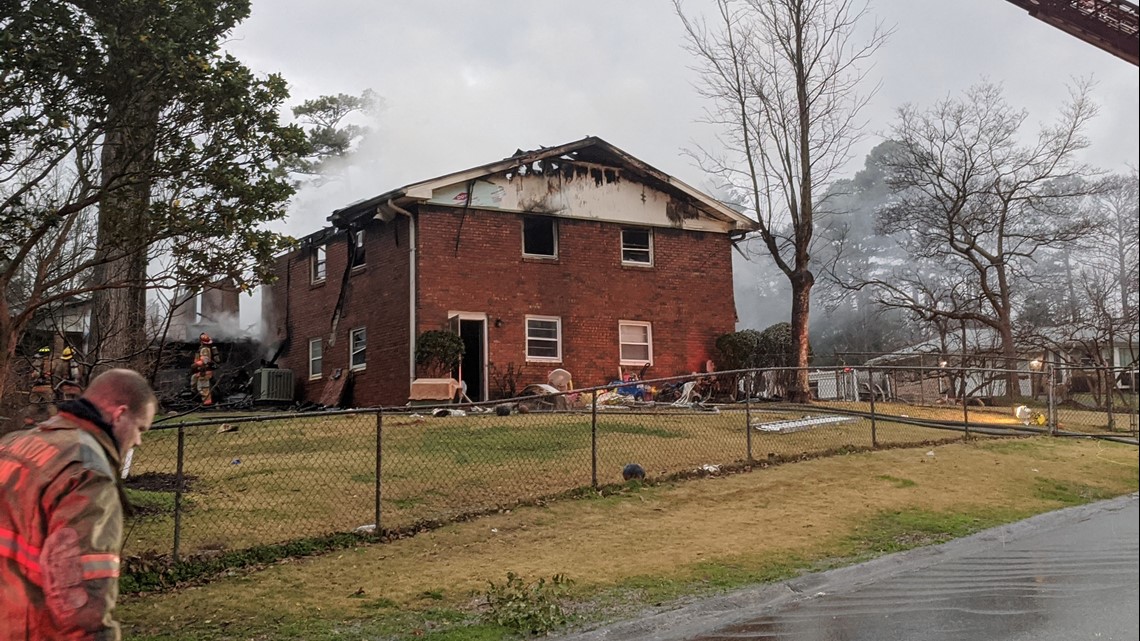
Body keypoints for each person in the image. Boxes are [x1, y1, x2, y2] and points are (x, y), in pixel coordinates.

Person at [1, 368, 157, 641]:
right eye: (140, 428)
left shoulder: (16, 444)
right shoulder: (88, 474)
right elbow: (83, 606)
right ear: (119, 415)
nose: (139, 441)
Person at [189, 332, 220, 406]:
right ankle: (198, 399)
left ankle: (207, 404)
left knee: (203, 387)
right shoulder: (203, 348)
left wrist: (196, 365)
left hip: (204, 372)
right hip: (200, 371)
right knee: (194, 383)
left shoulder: (205, 349)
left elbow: (205, 360)